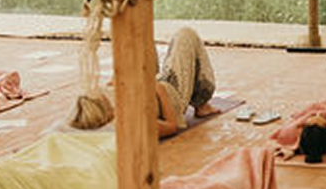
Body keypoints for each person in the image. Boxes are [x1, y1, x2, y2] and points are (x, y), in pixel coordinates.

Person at [69, 24, 218, 138]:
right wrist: (157, 88)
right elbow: (172, 126)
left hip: (144, 83)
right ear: (109, 112)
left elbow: (112, 85)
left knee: (140, 32)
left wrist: (119, 78)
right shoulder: (133, 122)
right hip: (168, 92)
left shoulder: (91, 102)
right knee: (186, 34)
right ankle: (201, 103)